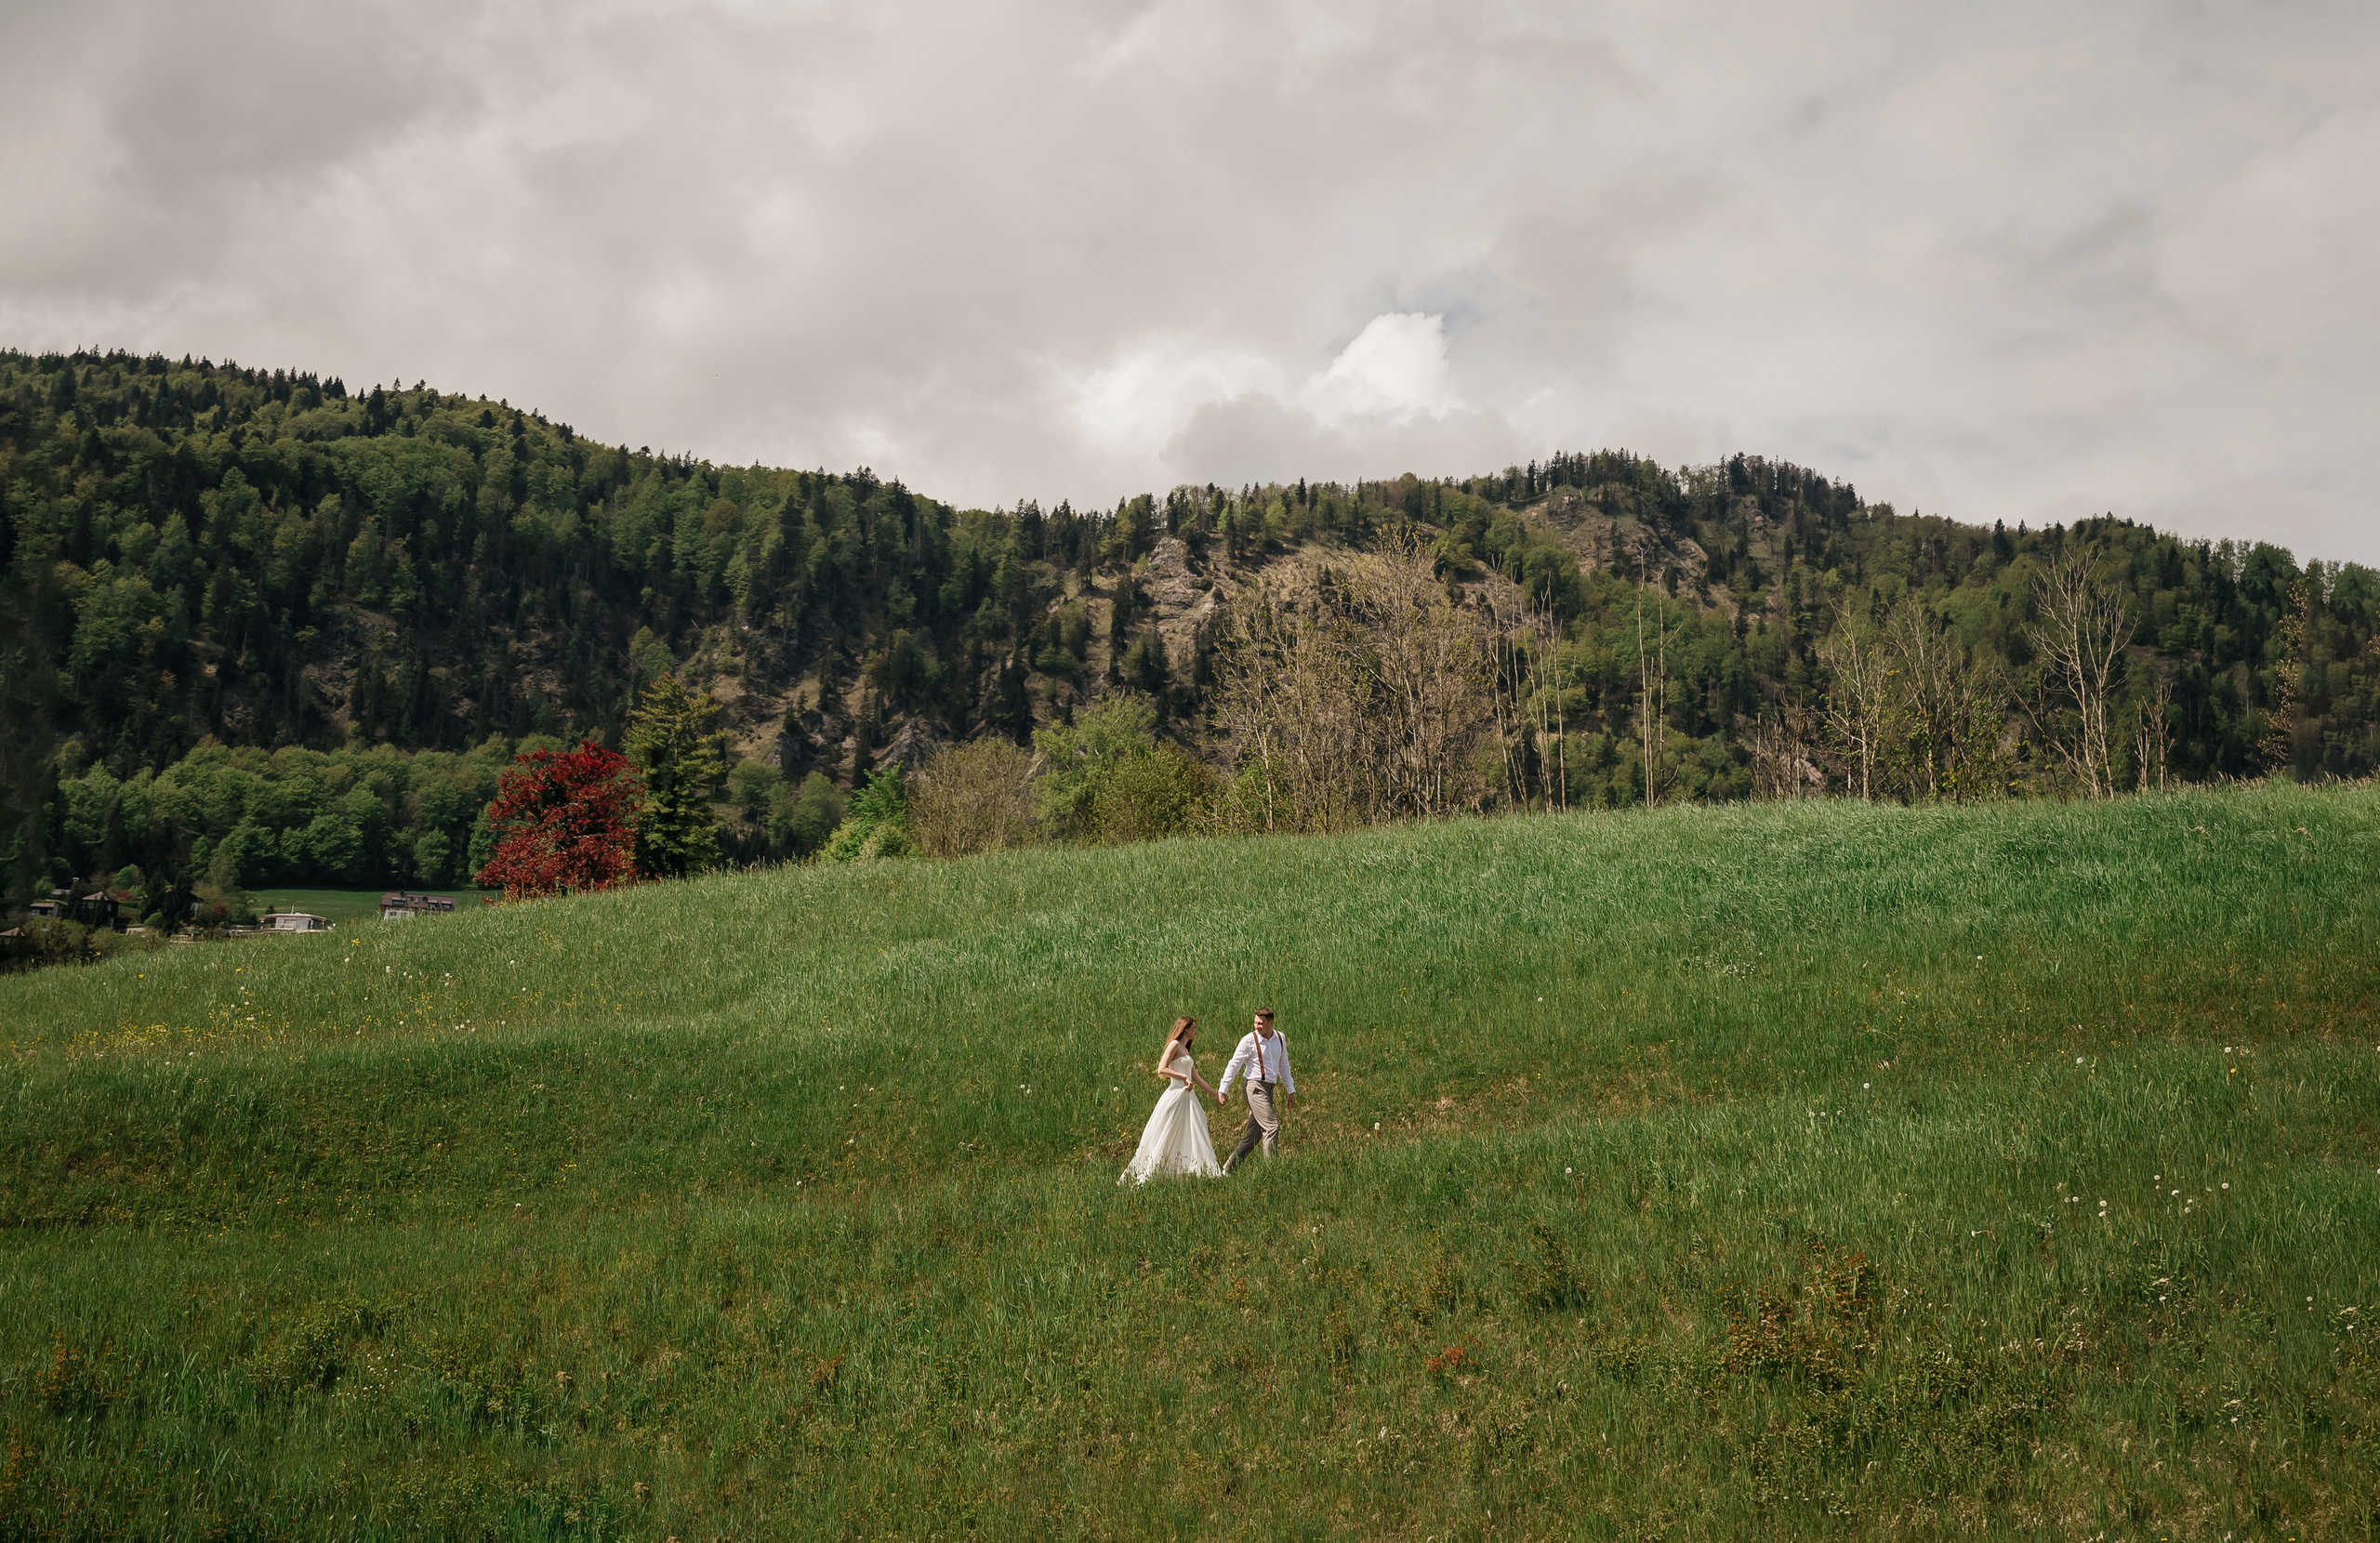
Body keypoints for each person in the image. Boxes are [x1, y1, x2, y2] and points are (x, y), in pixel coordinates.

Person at [1118, 1016, 1223, 1185]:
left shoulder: (1186, 1050)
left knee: (1192, 1129)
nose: (1196, 1032)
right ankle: (1155, 1172)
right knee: (1168, 1133)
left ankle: (1188, 1171)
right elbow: (1162, 1068)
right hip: (1176, 1095)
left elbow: (1196, 1077)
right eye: (1193, 1028)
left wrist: (1215, 1094)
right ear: (1185, 1028)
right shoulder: (1174, 1045)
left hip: (1187, 1098)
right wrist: (1183, 1077)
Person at [1216, 1008, 1295, 1174]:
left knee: (1254, 1135)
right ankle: (1270, 1172)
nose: (1256, 1026)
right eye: (1255, 1022)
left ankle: (1227, 1170)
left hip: (1269, 1089)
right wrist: (1223, 1088)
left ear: (1270, 1022)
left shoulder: (1280, 1038)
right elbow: (1234, 1064)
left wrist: (1291, 1090)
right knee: (1272, 1126)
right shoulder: (1248, 1040)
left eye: (1260, 1023)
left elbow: (1284, 1065)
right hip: (1254, 1088)